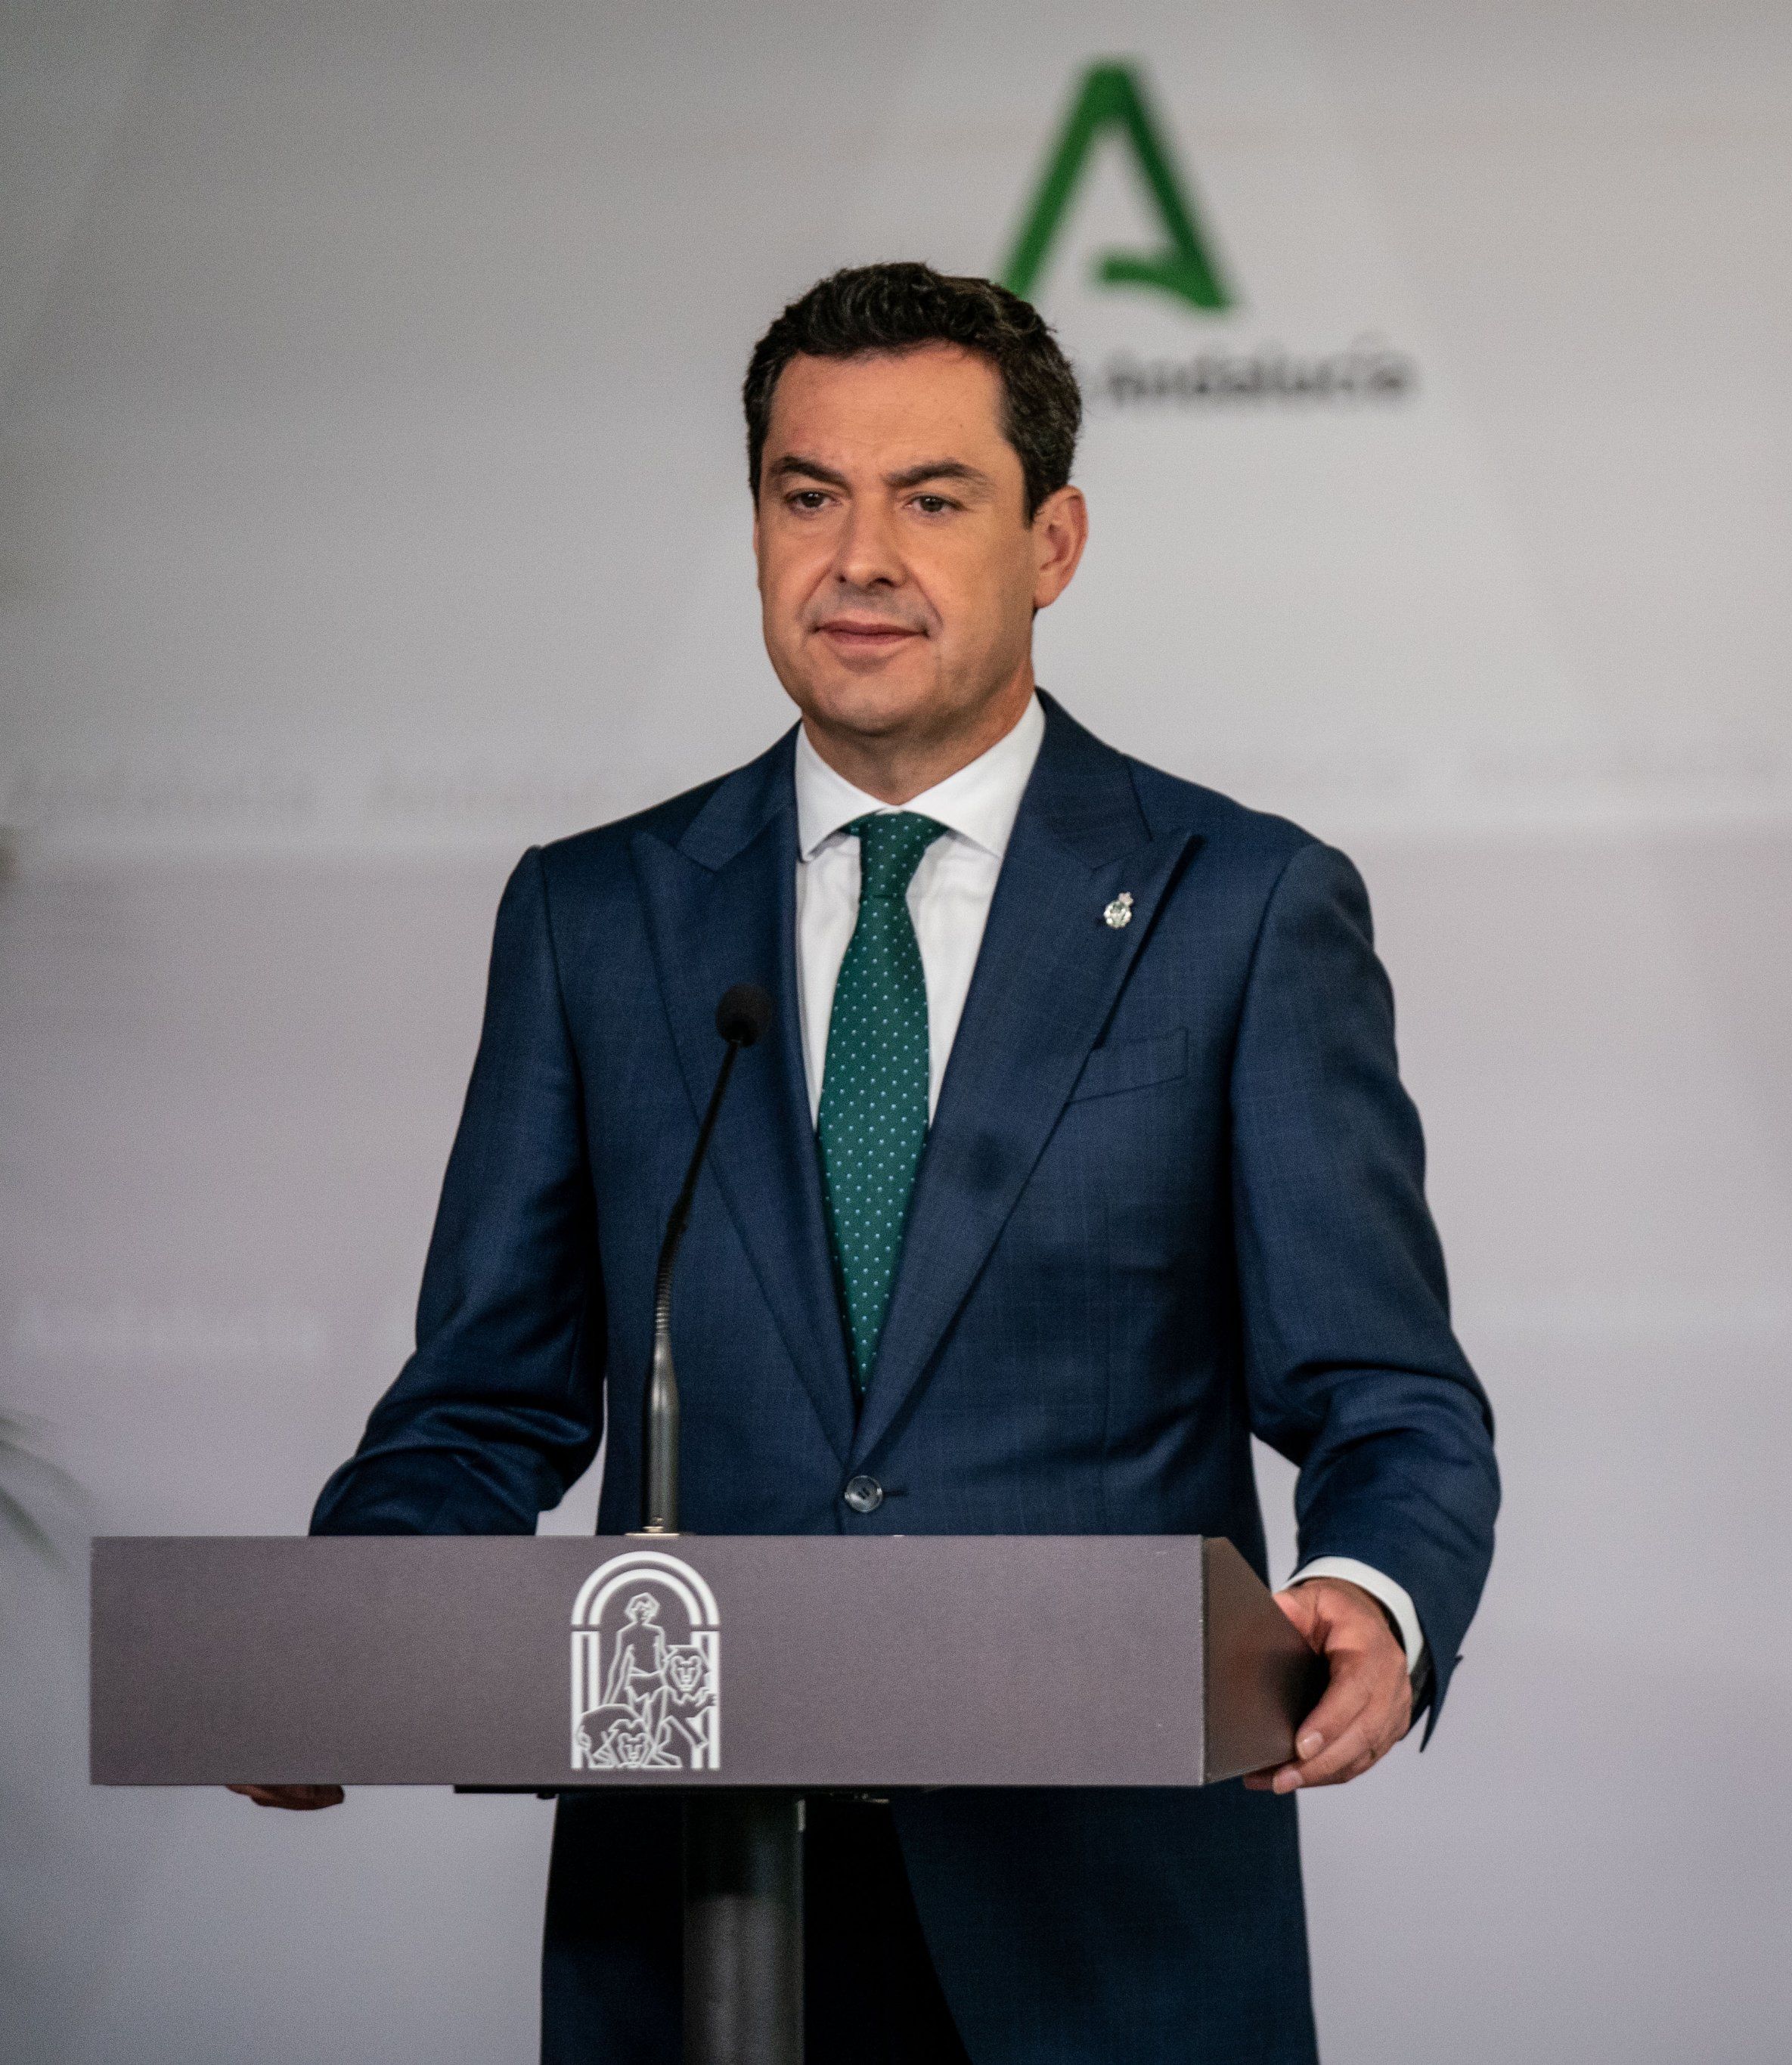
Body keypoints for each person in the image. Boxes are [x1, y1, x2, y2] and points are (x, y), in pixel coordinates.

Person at [233, 262, 1502, 2065]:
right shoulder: (595, 917)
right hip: (696, 1923)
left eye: (933, 499)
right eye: (807, 494)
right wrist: (341, 1633)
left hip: (1112, 1930)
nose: (858, 558)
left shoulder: (1239, 907)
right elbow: (482, 1399)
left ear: (1052, 543)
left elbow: (1388, 1394)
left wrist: (1371, 1598)